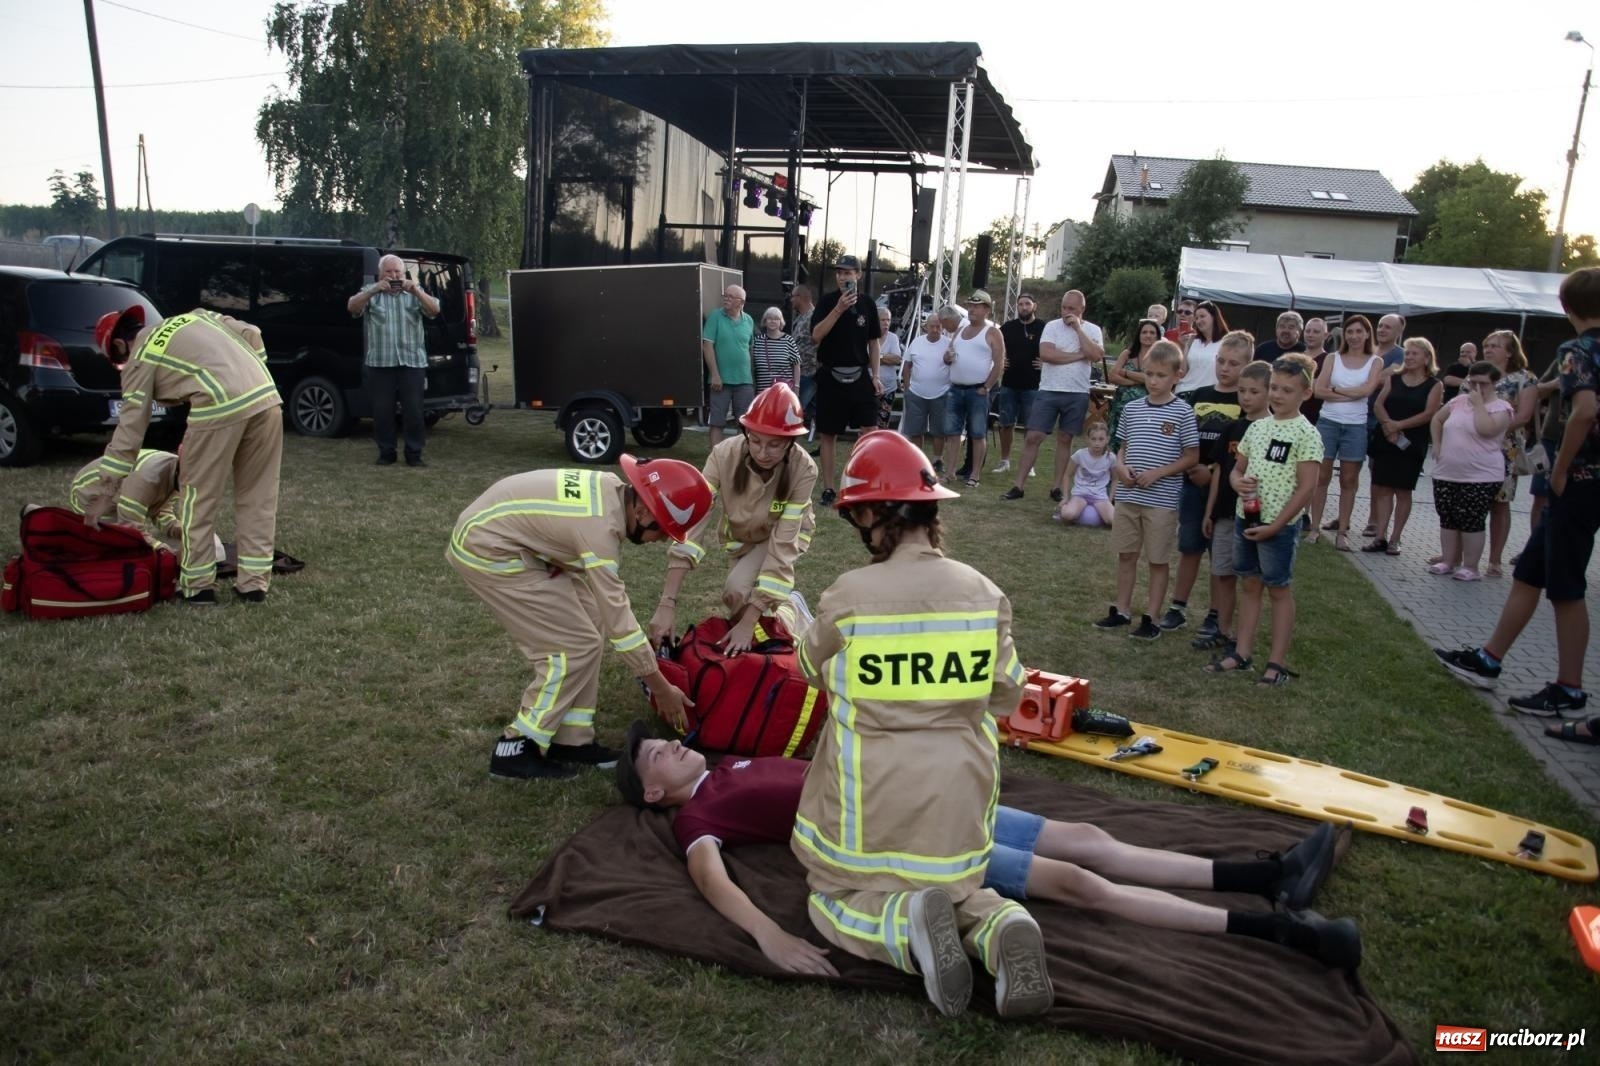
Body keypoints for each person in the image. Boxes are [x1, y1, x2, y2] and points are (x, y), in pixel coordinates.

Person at [615, 724, 1361, 975]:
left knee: (1088, 838)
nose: (673, 746)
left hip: (933, 798)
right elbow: (715, 882)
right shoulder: (697, 817)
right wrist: (770, 935)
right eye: (658, 755)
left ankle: (1267, 874)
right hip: (912, 839)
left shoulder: (729, 760)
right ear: (655, 794)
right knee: (1077, 882)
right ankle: (1278, 929)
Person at [789, 430, 1043, 1019]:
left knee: (831, 898)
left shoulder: (850, 594)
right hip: (955, 807)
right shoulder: (983, 593)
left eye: (858, 516)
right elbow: (1008, 693)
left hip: (866, 805)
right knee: (960, 895)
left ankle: (902, 928)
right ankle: (1002, 925)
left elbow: (807, 667)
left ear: (875, 514)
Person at [447, 455, 714, 780]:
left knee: (589, 622)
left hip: (509, 539)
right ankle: (516, 747)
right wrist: (660, 686)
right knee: (572, 648)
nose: (660, 541)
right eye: (662, 532)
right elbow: (621, 623)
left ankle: (571, 740)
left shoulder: (610, 492)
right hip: (487, 548)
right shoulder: (600, 529)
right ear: (642, 511)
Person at [1434, 267, 1600, 717]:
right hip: (1590, 483)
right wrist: (1548, 386)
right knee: (1529, 572)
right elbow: (1567, 390)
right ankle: (1490, 659)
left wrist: (1561, 470)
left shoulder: (1578, 348)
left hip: (1581, 479)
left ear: (1567, 307)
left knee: (1565, 586)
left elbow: (1584, 410)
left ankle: (1568, 689)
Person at [83, 305, 283, 604]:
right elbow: (252, 333)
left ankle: (197, 587)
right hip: (266, 398)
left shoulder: (141, 356)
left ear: (121, 345)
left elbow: (129, 432)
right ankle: (253, 586)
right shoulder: (198, 316)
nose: (123, 365)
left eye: (119, 360)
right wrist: (251, 376)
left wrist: (104, 493)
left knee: (197, 499)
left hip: (217, 406)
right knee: (258, 496)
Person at [649, 383, 816, 655]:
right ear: (745, 432)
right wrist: (667, 602)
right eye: (756, 441)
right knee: (739, 602)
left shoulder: (804, 468)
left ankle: (787, 616)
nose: (763, 452)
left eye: (775, 444)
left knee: (737, 592)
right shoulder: (723, 455)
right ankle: (786, 616)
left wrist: (749, 622)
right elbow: (693, 526)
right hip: (742, 539)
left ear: (791, 443)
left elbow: (783, 545)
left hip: (780, 537)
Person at [1206, 355, 1323, 686]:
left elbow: (1307, 487)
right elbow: (1237, 468)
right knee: (1250, 585)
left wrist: (1278, 524)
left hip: (1280, 527)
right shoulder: (1257, 428)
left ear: (1305, 392)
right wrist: (1235, 482)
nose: (1277, 395)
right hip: (1247, 519)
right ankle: (1241, 652)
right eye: (1274, 387)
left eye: (1287, 389)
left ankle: (1277, 662)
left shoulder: (1306, 433)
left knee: (1278, 590)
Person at [1094, 341, 1199, 639]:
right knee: (1126, 555)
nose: (1153, 381)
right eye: (1149, 374)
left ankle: (1151, 618)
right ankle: (1122, 610)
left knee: (1157, 559)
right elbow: (1122, 448)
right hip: (1129, 496)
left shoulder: (1183, 413)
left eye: (1161, 375)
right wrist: (1121, 468)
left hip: (1161, 501)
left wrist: (1158, 474)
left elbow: (1192, 456)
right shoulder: (1131, 408)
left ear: (1177, 376)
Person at [1161, 331, 1249, 635]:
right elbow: (1186, 437)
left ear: (1246, 366)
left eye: (1234, 363)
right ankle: (1178, 607)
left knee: (1218, 554)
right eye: (1221, 361)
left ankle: (1215, 613)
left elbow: (1241, 452)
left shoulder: (1245, 403)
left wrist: (1212, 471)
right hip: (1191, 484)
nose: (1225, 368)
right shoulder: (1199, 396)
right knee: (1189, 546)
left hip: (1224, 490)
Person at [1196, 361, 1273, 652]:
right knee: (1223, 573)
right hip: (1226, 514)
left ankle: (1243, 638)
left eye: (1254, 391)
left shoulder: (1272, 430)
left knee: (1250, 580)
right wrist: (1210, 511)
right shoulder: (1231, 428)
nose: (1246, 397)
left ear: (1269, 393)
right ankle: (1224, 631)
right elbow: (1218, 471)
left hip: (1256, 516)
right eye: (1242, 391)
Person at [1002, 290, 1104, 503]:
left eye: (1071, 309)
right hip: (1049, 389)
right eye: (1064, 307)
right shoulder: (1051, 326)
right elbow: (1047, 355)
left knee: (1065, 439)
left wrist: (1078, 328)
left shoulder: (1093, 330)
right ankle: (1018, 485)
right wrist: (1078, 355)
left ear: (1082, 309)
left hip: (1077, 392)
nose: (1066, 312)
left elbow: (1095, 355)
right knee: (1033, 436)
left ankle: (1057, 487)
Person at [347, 254, 440, 467]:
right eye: (389, 272)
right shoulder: (372, 294)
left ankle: (414, 454)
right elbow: (352, 307)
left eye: (397, 271)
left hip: (412, 362)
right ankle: (386, 453)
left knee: (414, 410)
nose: (394, 275)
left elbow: (435, 309)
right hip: (381, 363)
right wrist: (374, 289)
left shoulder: (414, 294)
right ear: (381, 274)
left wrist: (415, 289)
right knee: (382, 411)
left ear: (404, 273)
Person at [1426, 361, 1513, 582]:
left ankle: (1471, 566)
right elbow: (1437, 419)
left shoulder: (1501, 408)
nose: (1477, 388)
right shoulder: (1457, 402)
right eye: (1472, 382)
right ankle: (1447, 560)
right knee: (1448, 516)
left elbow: (1486, 430)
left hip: (1480, 475)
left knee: (1471, 519)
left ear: (1494, 383)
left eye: (1482, 383)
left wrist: (1479, 405)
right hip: (1448, 471)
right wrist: (1437, 444)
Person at [810, 256, 883, 506]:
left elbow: (873, 343)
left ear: (859, 276)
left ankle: (861, 483)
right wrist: (838, 309)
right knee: (828, 434)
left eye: (848, 273)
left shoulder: (868, 304)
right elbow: (815, 336)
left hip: (860, 375)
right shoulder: (827, 302)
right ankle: (829, 488)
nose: (843, 277)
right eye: (839, 273)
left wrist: (876, 376)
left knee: (870, 431)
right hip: (830, 376)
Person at [1308, 315, 1383, 551]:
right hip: (1328, 422)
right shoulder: (1333, 358)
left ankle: (1342, 532)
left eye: (1359, 331)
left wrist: (1336, 389)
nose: (1354, 336)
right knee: (1321, 477)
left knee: (1349, 480)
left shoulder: (1375, 362)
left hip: (1356, 426)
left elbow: (1367, 391)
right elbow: (1318, 390)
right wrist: (1351, 392)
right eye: (1350, 331)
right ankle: (1314, 528)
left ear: (1367, 334)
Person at [1364, 338, 1443, 556]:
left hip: (1411, 444)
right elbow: (1379, 404)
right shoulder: (1394, 378)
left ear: (1427, 358)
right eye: (1407, 353)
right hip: (1387, 440)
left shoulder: (1435, 385)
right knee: (1383, 489)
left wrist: (1398, 426)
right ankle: (1380, 536)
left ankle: (1395, 538)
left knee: (1403, 491)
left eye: (1414, 354)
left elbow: (1428, 414)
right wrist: (1388, 426)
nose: (1408, 357)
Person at [1483, 330, 1538, 577]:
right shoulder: (1479, 375)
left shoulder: (1524, 379)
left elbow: (1524, 416)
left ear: (1510, 351)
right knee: (1467, 499)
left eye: (1495, 346)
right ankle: (1457, 554)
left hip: (1505, 448)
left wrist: (1493, 428)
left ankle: (1495, 559)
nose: (1489, 349)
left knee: (1499, 503)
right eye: (1487, 345)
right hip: (1473, 444)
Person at [940, 290, 1005, 490]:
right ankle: (950, 472)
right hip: (956, 389)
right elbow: (947, 355)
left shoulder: (992, 332)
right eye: (970, 306)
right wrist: (947, 358)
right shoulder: (960, 331)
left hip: (977, 391)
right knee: (952, 434)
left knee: (977, 434)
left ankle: (975, 474)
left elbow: (999, 363)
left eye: (976, 306)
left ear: (986, 309)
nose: (971, 310)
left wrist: (986, 387)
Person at [69, 448, 179, 545]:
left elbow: (160, 512)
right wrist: (168, 553)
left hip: (120, 494)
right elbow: (132, 529)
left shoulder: (177, 471)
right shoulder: (145, 480)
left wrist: (184, 532)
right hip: (89, 498)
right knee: (122, 545)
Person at [994, 294, 1045, 476]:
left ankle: (1029, 464)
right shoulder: (1007, 328)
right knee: (1006, 423)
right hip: (1009, 384)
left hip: (1033, 385)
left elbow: (1052, 349)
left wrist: (1046, 364)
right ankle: (1004, 461)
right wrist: (1000, 361)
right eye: (1021, 304)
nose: (1024, 307)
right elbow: (994, 347)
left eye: (1027, 304)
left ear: (1034, 306)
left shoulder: (1043, 327)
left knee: (1031, 426)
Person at [701, 285, 757, 448]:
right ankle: (716, 460)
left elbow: (750, 349)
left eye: (731, 297)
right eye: (725, 295)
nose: (726, 298)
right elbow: (707, 346)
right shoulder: (715, 317)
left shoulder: (749, 320)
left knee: (745, 423)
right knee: (717, 422)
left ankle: (741, 457)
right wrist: (715, 375)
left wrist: (751, 375)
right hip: (720, 381)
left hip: (744, 381)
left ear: (741, 302)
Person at [898, 309, 956, 465]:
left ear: (942, 327)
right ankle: (919, 460)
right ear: (926, 327)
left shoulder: (948, 343)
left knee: (939, 431)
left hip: (942, 393)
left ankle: (938, 460)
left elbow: (954, 365)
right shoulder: (916, 342)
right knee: (916, 430)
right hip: (916, 393)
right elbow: (907, 365)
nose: (935, 329)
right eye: (932, 326)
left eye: (938, 326)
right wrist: (907, 386)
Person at [1106, 319, 1159, 444]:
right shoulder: (1127, 354)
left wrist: (1125, 373)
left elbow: (1151, 379)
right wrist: (1135, 382)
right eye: (1144, 332)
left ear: (1157, 337)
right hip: (1121, 405)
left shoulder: (1159, 357)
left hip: (1147, 408)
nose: (1148, 335)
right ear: (1138, 335)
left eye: (1152, 333)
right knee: (1117, 441)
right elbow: (1112, 376)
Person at [1056, 421, 1115, 527]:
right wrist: (1065, 498)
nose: (1097, 443)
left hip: (1100, 496)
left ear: (1107, 439)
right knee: (1068, 515)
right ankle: (1062, 510)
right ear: (1087, 439)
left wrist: (1110, 499)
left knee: (1112, 520)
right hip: (1080, 494)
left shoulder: (1110, 458)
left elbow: (1116, 479)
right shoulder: (1080, 455)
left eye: (1101, 439)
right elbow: (1067, 475)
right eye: (1093, 439)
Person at [1176, 300, 1228, 401]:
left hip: (1209, 396)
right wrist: (1183, 346)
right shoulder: (1192, 340)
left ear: (1213, 317)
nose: (1199, 321)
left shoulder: (1226, 342)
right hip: (1184, 392)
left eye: (1202, 316)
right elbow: (1182, 373)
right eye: (1196, 318)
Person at [751, 306, 800, 393]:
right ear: (764, 321)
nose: (773, 321)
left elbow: (797, 365)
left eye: (776, 319)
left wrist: (796, 387)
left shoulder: (788, 340)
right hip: (763, 393)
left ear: (781, 322)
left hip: (783, 392)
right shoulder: (758, 341)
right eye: (769, 318)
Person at [789, 285, 819, 426]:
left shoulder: (815, 317)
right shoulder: (800, 318)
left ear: (800, 298)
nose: (791, 300)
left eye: (793, 297)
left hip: (809, 373)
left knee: (794, 412)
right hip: (798, 373)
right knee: (793, 411)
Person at [1298, 317, 1331, 426]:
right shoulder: (1294, 358)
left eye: (1316, 332)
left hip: (1317, 420)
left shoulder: (1330, 360)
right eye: (1308, 331)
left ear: (1326, 335)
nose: (1310, 335)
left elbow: (1322, 389)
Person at [876, 306, 903, 428]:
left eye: (888, 320)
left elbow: (897, 359)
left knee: (883, 423)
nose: (886, 323)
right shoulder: (867, 336)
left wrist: (877, 356)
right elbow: (863, 359)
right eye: (883, 320)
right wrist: (886, 358)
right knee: (867, 423)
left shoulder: (893, 338)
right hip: (868, 386)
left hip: (888, 389)